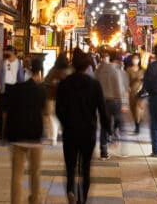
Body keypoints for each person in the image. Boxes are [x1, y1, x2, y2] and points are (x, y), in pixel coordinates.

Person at [56, 49, 108, 204]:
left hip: (70, 131)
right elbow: (102, 109)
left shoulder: (64, 84)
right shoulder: (94, 85)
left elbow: (58, 109)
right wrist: (108, 129)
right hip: (88, 131)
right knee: (85, 168)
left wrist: (65, 123)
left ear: (73, 65)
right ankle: (82, 199)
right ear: (87, 67)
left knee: (70, 167)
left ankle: (71, 189)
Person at [5, 58, 47, 204]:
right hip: (35, 136)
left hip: (18, 136)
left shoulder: (18, 89)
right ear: (40, 72)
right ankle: (34, 200)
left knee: (17, 175)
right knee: (35, 173)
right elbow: (45, 112)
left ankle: (16, 201)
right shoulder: (42, 90)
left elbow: (9, 110)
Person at [95, 49, 128, 159]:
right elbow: (119, 87)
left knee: (104, 126)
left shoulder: (99, 69)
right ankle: (121, 147)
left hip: (103, 101)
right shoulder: (116, 70)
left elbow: (95, 84)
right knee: (120, 124)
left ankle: (103, 152)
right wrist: (124, 103)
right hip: (115, 100)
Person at [0, 44, 26, 140]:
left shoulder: (18, 63)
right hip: (4, 89)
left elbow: (21, 78)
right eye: (4, 51)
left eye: (7, 51)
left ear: (12, 52)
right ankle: (0, 133)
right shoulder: (2, 62)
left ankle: (10, 133)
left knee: (12, 112)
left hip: (14, 89)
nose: (5, 53)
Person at [43, 53, 72, 145]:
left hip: (51, 97)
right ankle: (61, 132)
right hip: (65, 98)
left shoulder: (53, 70)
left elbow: (46, 82)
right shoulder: (69, 71)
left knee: (51, 116)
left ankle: (53, 137)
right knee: (63, 116)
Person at [125, 53, 145, 134]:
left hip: (141, 92)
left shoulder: (143, 70)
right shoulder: (129, 70)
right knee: (133, 109)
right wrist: (127, 88)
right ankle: (137, 122)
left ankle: (138, 126)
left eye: (137, 58)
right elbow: (126, 80)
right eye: (134, 58)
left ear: (139, 60)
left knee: (139, 109)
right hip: (132, 92)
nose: (135, 60)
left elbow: (146, 80)